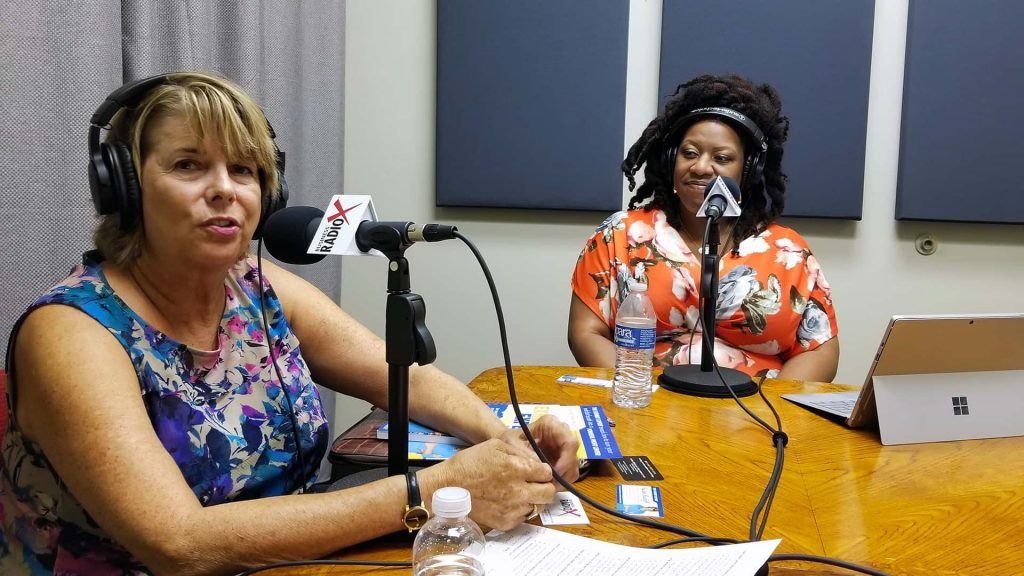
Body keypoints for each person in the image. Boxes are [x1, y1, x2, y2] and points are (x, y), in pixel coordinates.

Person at [0, 72, 579, 575]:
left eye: (244, 170)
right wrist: (435, 491)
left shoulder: (257, 288)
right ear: (125, 186)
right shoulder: (71, 333)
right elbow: (178, 546)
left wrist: (508, 442)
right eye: (188, 165)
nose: (225, 188)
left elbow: (407, 380)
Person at [569, 74, 839, 382]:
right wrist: (642, 390)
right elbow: (585, 332)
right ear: (672, 159)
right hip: (647, 407)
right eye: (690, 153)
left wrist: (773, 408)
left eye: (721, 158)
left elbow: (819, 349)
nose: (700, 167)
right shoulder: (619, 235)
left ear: (748, 171)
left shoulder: (787, 251)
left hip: (756, 418)